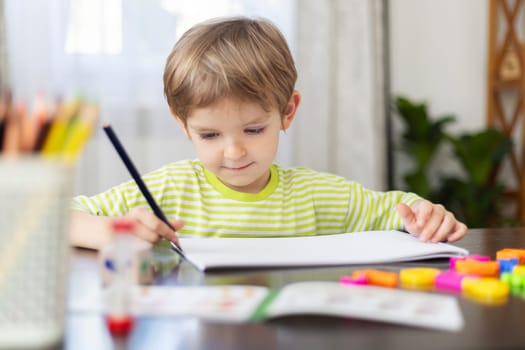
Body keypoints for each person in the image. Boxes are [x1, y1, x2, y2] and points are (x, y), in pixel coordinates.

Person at [70, 16, 467, 250]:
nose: (234, 151)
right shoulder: (169, 191)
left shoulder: (314, 196)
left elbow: (399, 210)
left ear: (287, 111)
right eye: (209, 135)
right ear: (182, 124)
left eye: (254, 129)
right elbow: (62, 218)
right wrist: (114, 229)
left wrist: (427, 217)